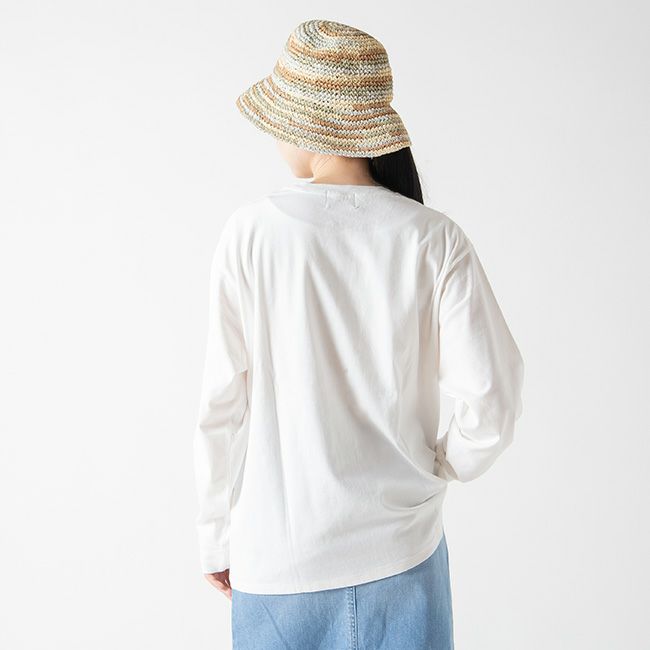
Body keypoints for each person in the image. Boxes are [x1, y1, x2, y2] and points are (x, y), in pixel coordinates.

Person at [192, 19, 524, 650]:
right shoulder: (433, 238)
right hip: (404, 557)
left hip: (279, 565)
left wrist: (214, 534)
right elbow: (494, 397)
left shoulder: (250, 234)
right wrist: (439, 466)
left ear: (306, 125)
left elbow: (220, 407)